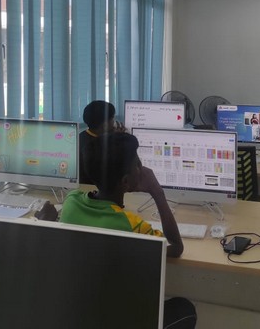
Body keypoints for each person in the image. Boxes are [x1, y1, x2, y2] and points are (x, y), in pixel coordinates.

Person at [60, 132, 196, 328]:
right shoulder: (130, 225)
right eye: (137, 164)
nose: (141, 168)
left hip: (82, 311)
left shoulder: (71, 202)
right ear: (125, 182)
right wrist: (157, 192)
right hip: (121, 317)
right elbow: (176, 247)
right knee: (184, 308)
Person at [79, 100, 123, 184]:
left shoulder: (80, 137)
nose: (114, 122)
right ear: (105, 125)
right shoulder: (104, 146)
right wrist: (120, 139)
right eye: (112, 119)